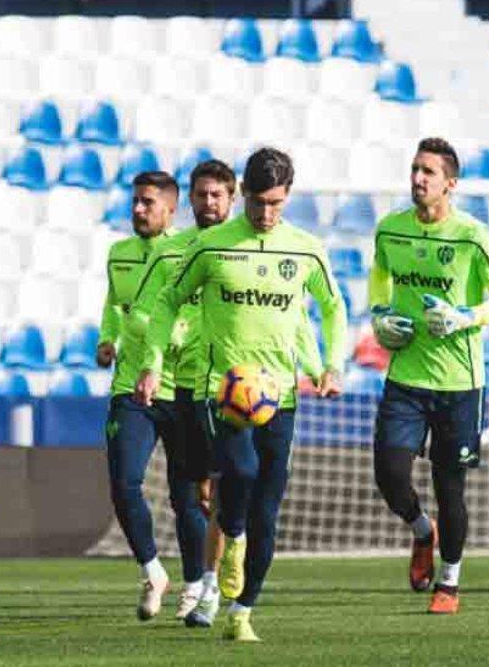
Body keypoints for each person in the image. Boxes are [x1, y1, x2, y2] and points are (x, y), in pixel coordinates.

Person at [135, 147, 346, 642]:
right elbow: (166, 304)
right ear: (243, 194)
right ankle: (230, 538)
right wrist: (152, 363)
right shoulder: (212, 247)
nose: (266, 214)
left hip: (280, 398)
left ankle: (243, 610)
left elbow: (333, 308)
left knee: (268, 512)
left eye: (276, 203)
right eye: (258, 203)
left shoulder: (306, 249)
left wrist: (330, 364)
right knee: (240, 472)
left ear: (287, 196)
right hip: (221, 390)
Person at [367, 137, 489, 614]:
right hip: (406, 378)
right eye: (414, 169)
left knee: (449, 487)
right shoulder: (391, 230)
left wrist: (465, 316)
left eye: (428, 172)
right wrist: (378, 318)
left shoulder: (473, 236)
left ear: (450, 183)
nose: (417, 179)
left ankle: (449, 583)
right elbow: (379, 279)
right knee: (389, 474)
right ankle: (420, 531)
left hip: (459, 385)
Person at [97, 171, 207, 621]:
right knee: (124, 482)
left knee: (186, 497)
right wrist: (107, 339)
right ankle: (153, 570)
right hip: (131, 386)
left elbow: (194, 311)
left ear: (170, 209)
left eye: (147, 203)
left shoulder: (188, 251)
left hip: (179, 386)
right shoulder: (118, 254)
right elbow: (113, 306)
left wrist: (174, 340)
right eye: (135, 202)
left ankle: (196, 586)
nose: (138, 210)